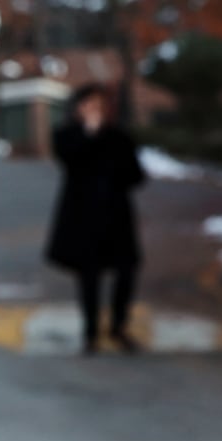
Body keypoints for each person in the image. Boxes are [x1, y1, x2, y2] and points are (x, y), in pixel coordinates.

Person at [44, 84, 146, 354]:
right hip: (82, 216)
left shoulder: (120, 138)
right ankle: (90, 332)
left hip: (116, 215)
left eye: (99, 106)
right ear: (77, 109)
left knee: (126, 270)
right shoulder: (67, 135)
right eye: (88, 106)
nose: (94, 112)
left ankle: (118, 326)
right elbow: (69, 160)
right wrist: (90, 135)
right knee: (89, 275)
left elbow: (136, 175)